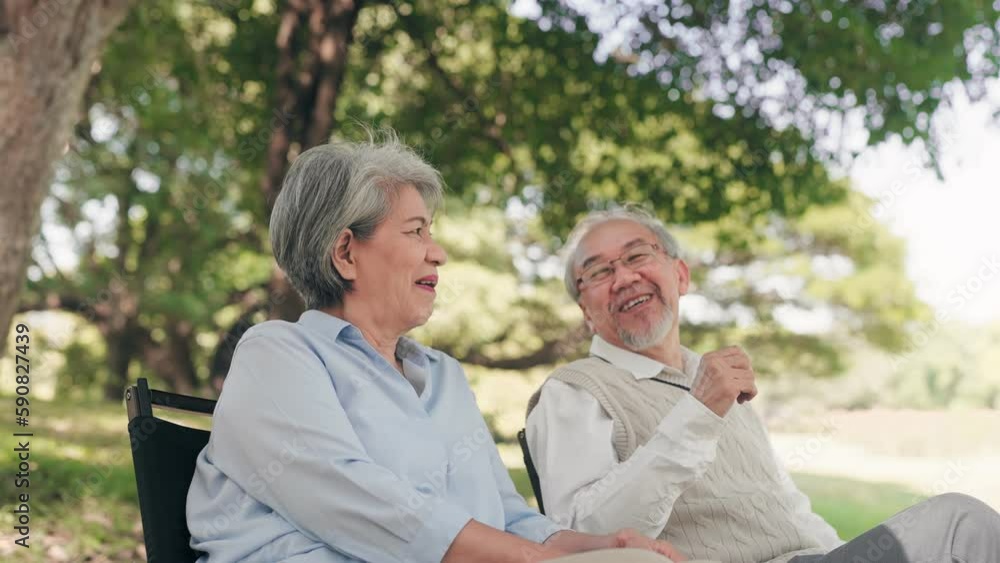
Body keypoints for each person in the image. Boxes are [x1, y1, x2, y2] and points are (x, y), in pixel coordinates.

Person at [185, 136, 688, 563]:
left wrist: (596, 546)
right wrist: (538, 561)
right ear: (345, 253)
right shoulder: (276, 354)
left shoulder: (442, 374)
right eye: (416, 231)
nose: (438, 251)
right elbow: (357, 503)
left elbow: (508, 516)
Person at [525, 205, 1000, 563]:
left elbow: (786, 508)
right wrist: (698, 414)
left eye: (637, 256)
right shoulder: (574, 392)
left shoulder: (713, 379)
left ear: (680, 275)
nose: (624, 277)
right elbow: (582, 537)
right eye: (600, 272)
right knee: (958, 524)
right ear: (586, 311)